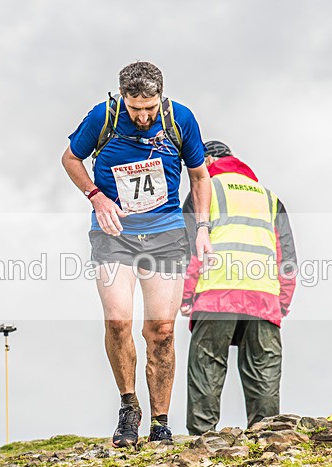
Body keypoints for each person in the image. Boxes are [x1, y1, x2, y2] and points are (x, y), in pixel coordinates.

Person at [61, 61, 212, 447]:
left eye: (150, 108)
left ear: (161, 97)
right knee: (117, 321)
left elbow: (199, 176)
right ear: (122, 98)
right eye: (135, 109)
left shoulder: (181, 120)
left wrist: (204, 230)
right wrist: (96, 198)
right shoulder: (103, 117)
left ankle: (160, 421)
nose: (143, 116)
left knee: (160, 331)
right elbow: (70, 159)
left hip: (165, 234)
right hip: (115, 235)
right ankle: (129, 408)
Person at [181, 140, 297, 435]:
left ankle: (202, 442)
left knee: (207, 368)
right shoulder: (269, 198)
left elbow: (190, 251)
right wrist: (281, 302)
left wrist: (185, 297)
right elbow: (287, 259)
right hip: (264, 299)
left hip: (215, 294)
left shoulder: (203, 191)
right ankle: (268, 441)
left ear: (206, 162)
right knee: (264, 374)